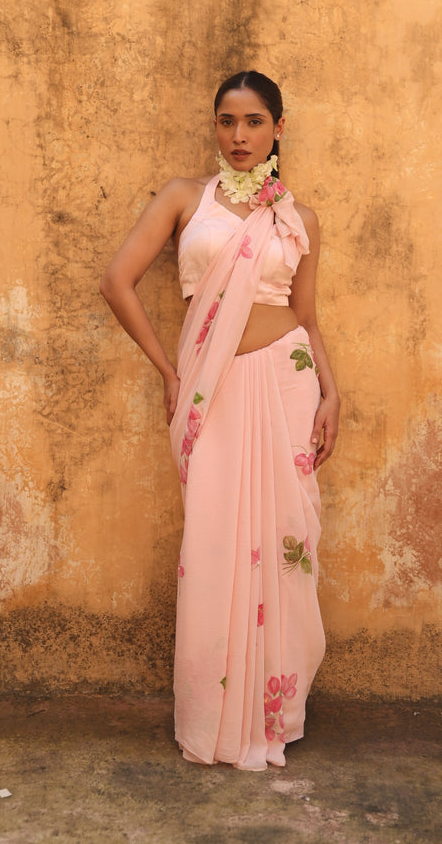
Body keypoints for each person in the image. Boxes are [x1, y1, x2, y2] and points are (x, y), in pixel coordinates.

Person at [100, 71, 340, 771]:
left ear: (278, 129)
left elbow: (307, 316)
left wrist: (331, 392)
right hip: (211, 387)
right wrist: (169, 370)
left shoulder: (297, 218)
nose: (239, 136)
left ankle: (276, 713)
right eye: (227, 121)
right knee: (212, 545)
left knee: (286, 538)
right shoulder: (185, 200)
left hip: (287, 384)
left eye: (254, 122)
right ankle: (212, 717)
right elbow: (117, 280)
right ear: (215, 127)